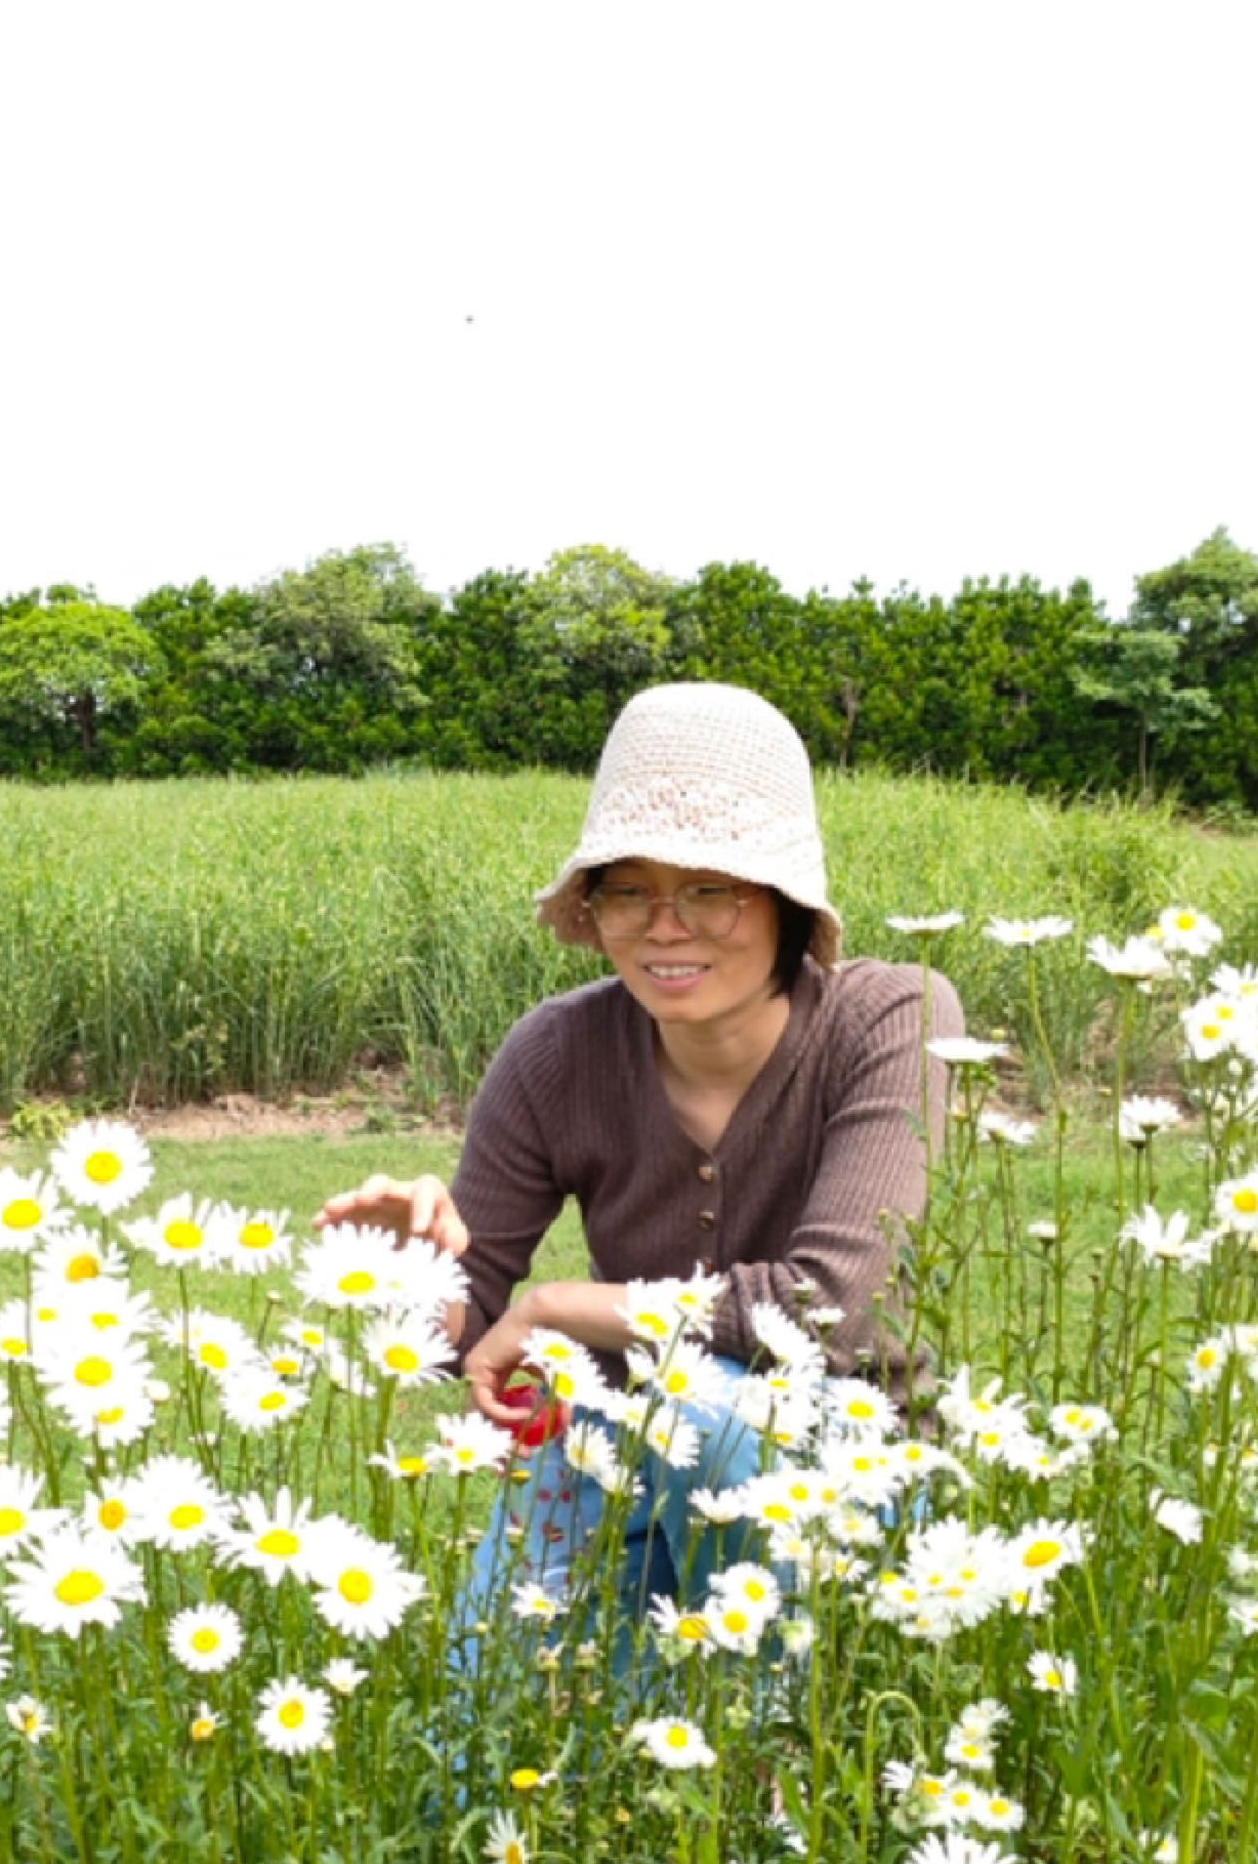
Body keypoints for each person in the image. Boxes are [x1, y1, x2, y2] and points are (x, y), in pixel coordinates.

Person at [315, 680, 963, 1639]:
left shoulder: (891, 1016)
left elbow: (837, 1304)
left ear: (783, 903)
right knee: (486, 1700)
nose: (666, 927)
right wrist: (410, 1268)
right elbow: (464, 1337)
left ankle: (776, 1710)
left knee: (711, 1420)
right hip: (619, 1461)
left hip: (842, 1465)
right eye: (629, 891)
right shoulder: (556, 1053)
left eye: (711, 890)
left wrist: (562, 1307)